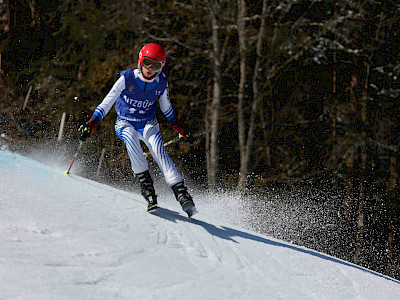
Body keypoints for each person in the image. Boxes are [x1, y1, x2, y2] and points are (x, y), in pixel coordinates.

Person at [78, 43, 197, 217]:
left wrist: (178, 126)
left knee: (158, 151)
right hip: (125, 123)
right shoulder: (127, 78)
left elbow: (166, 107)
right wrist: (92, 121)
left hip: (148, 123)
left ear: (161, 67)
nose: (150, 69)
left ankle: (182, 194)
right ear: (140, 60)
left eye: (155, 65)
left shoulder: (161, 83)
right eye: (147, 62)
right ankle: (148, 191)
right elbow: (108, 101)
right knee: (131, 139)